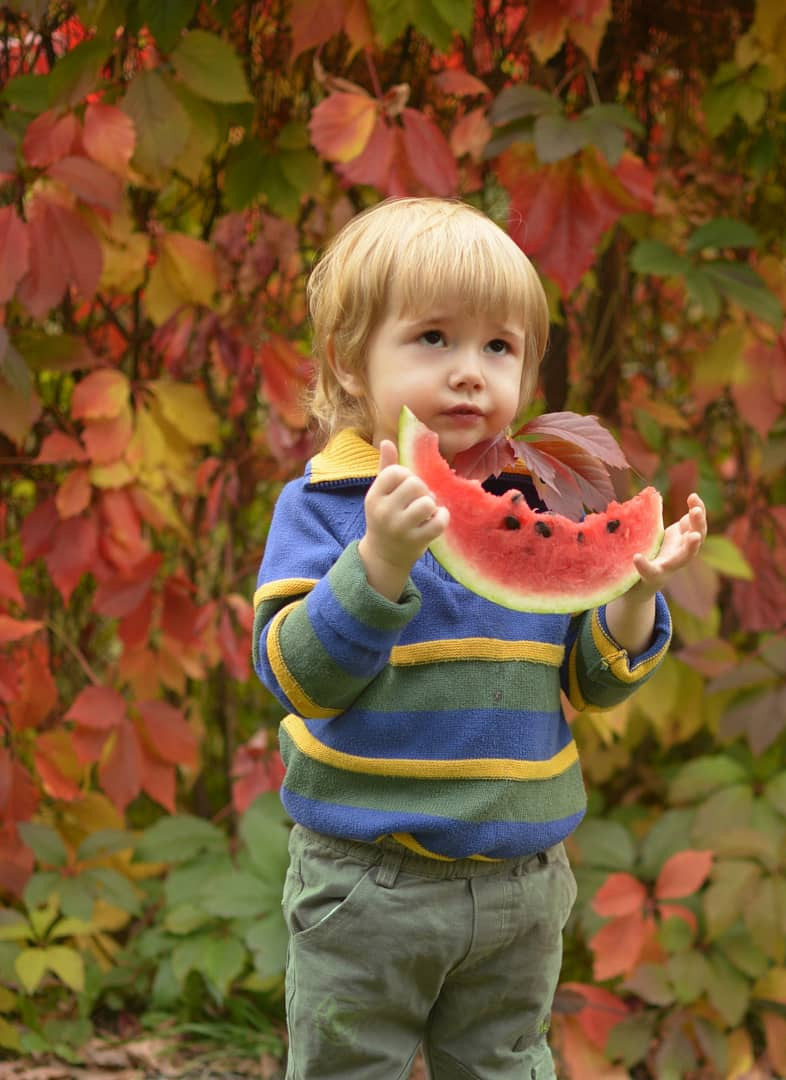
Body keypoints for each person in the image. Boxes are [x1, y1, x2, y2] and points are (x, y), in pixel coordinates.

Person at [252, 197, 707, 1080]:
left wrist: (629, 600)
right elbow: (298, 680)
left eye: (498, 347)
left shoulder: (538, 506)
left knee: (508, 1066)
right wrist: (378, 561)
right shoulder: (321, 507)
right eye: (433, 339)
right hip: (365, 883)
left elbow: (589, 684)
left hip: (522, 887)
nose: (470, 373)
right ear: (351, 362)